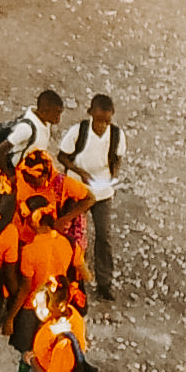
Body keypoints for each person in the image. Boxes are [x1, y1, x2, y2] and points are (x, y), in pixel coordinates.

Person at [58, 97, 123, 301]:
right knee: (73, 234)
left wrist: (114, 174)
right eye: (100, 120)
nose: (103, 125)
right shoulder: (78, 132)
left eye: (107, 121)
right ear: (90, 113)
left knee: (104, 236)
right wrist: (80, 172)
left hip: (102, 193)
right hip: (78, 190)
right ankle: (73, 279)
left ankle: (104, 282)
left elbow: (117, 157)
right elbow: (62, 156)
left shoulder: (116, 135)